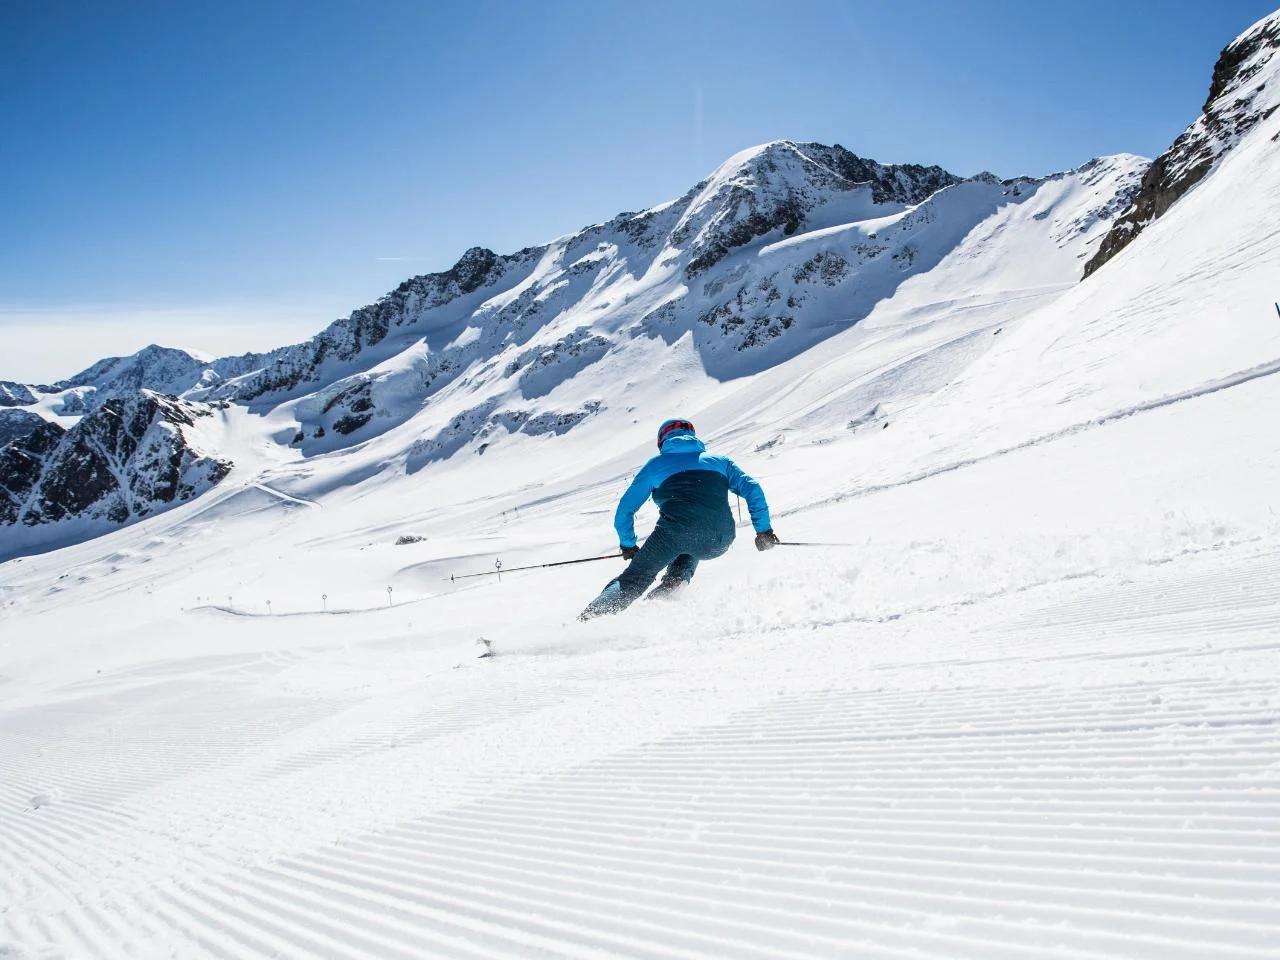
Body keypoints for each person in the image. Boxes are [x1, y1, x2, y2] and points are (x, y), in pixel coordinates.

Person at [579, 419, 779, 619]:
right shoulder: (720, 461)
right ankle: (670, 590)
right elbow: (753, 488)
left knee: (634, 579)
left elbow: (625, 511)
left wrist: (628, 544)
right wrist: (764, 531)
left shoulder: (654, 466)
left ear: (662, 441)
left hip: (674, 534)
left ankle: (587, 622)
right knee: (691, 542)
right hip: (719, 539)